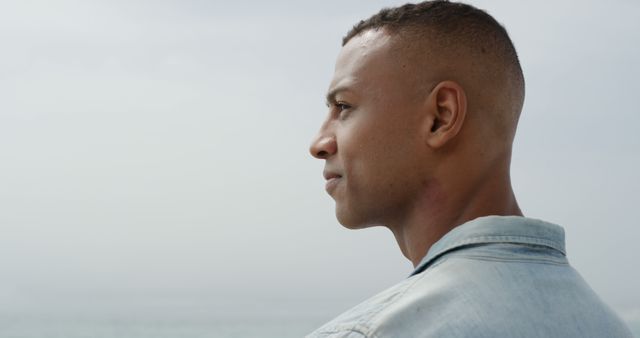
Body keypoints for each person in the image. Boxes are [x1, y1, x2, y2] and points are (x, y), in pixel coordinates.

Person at [307, 1, 633, 337]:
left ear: (441, 117)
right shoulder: (609, 327)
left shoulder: (369, 332)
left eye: (343, 106)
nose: (319, 143)